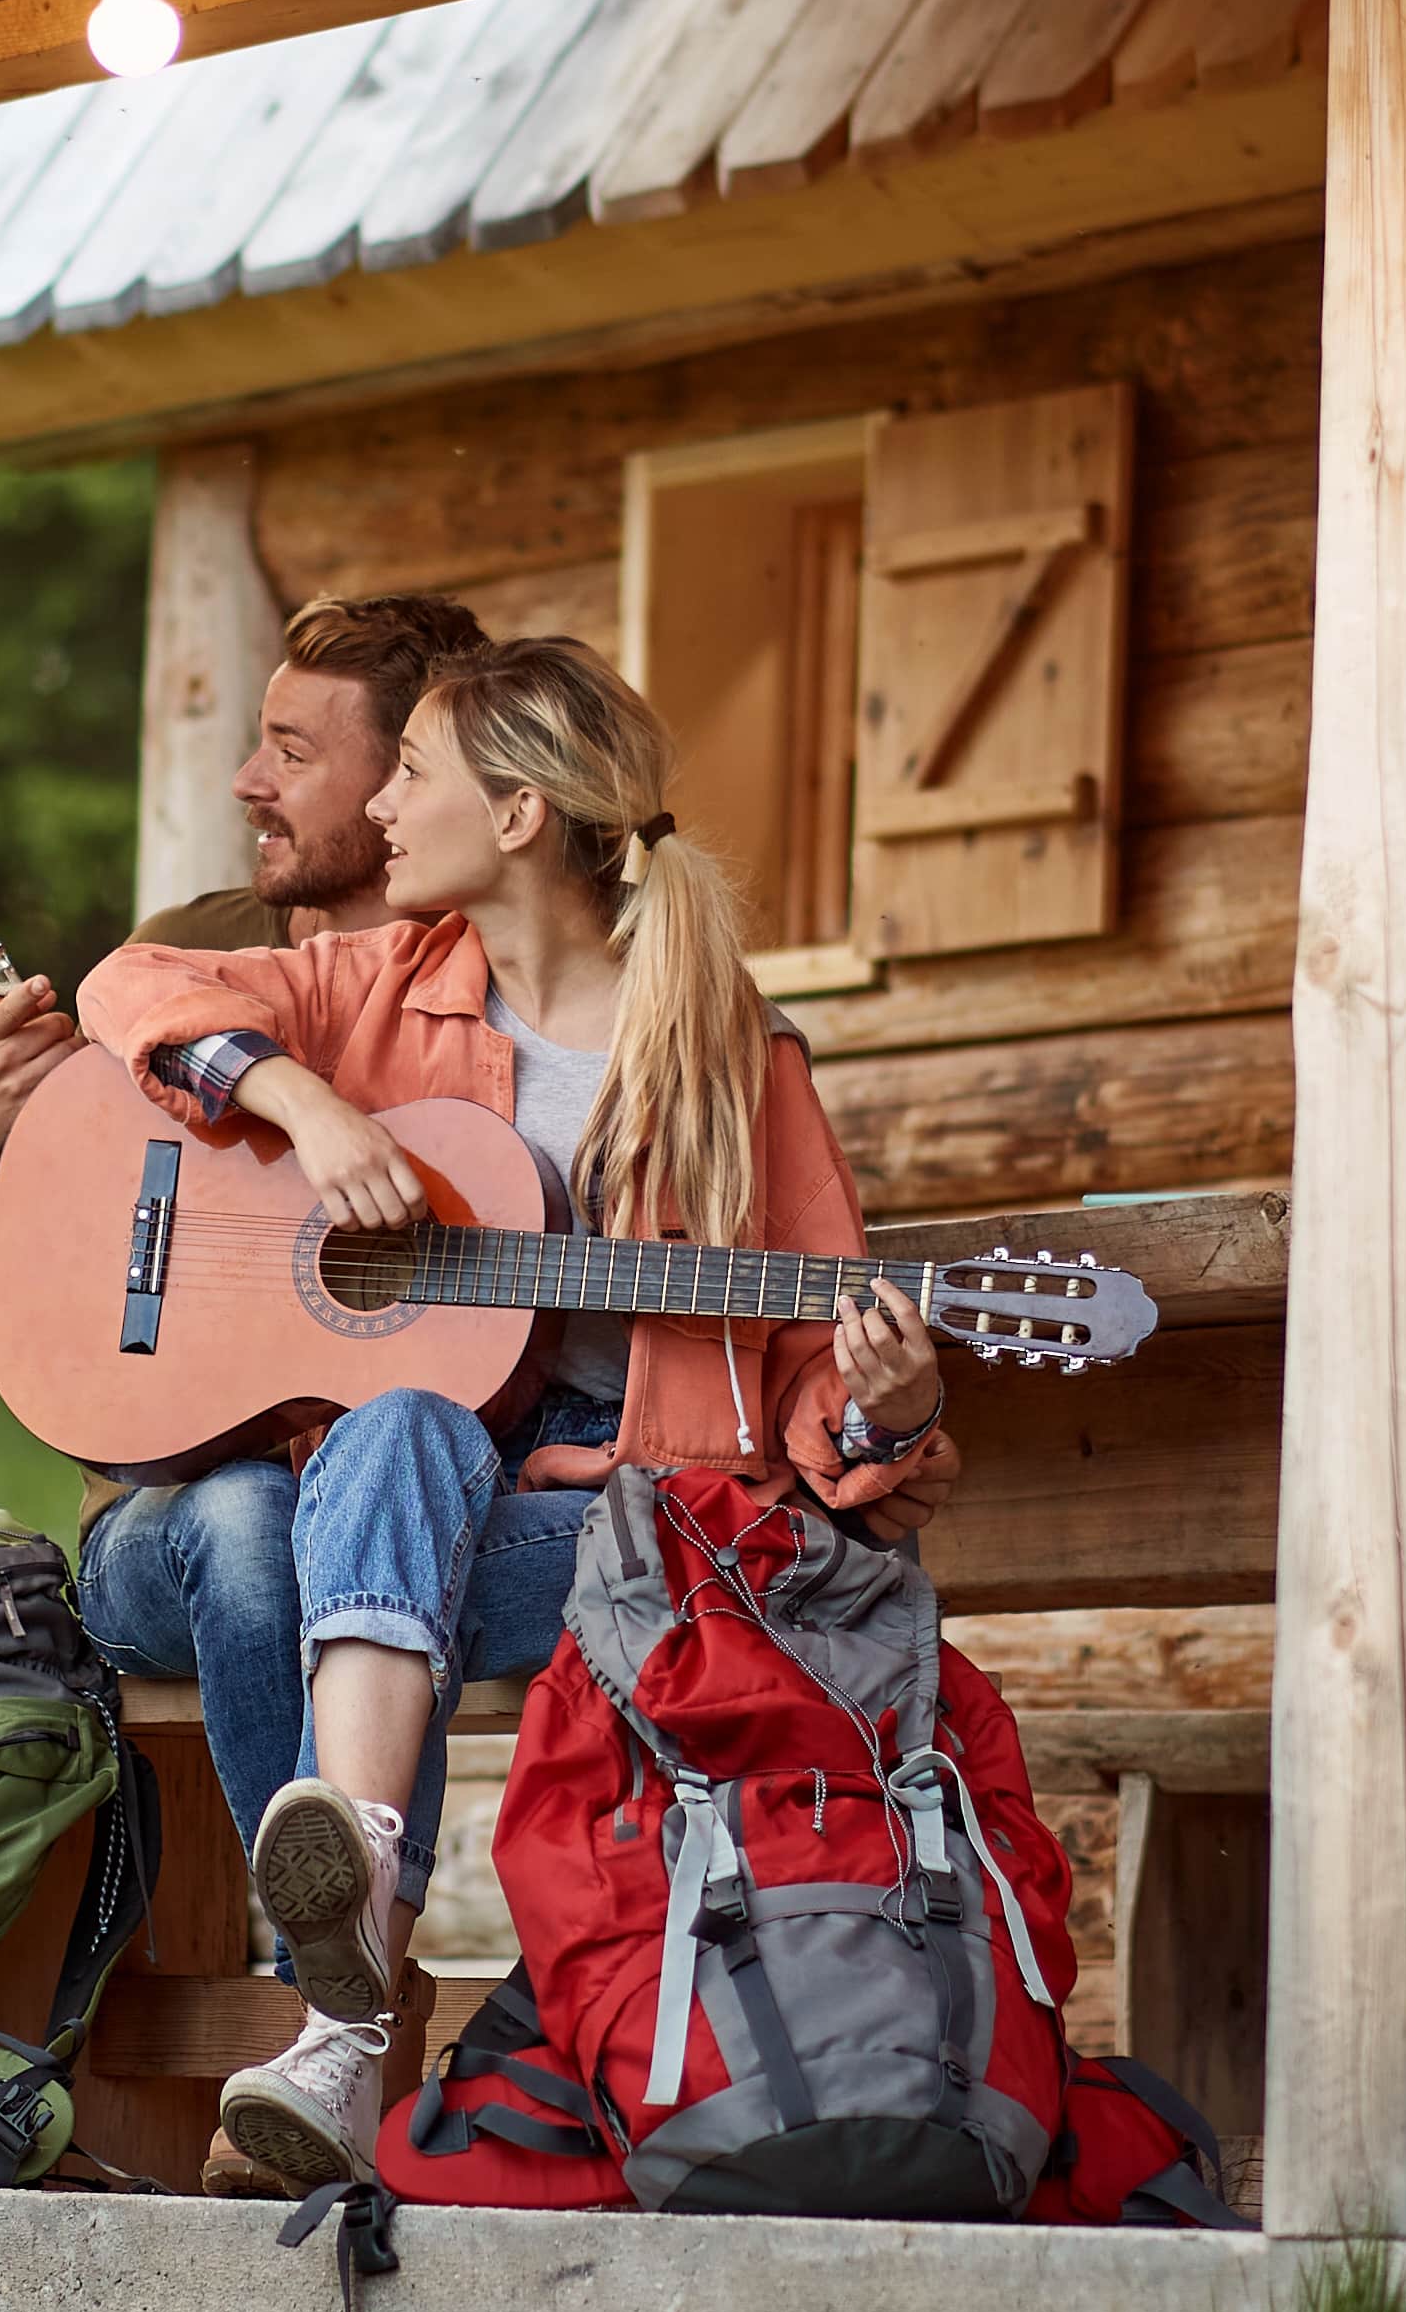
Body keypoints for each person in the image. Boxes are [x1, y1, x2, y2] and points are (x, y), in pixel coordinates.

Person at [75, 634, 959, 2189]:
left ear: (521, 816)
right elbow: (129, 984)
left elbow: (833, 1380)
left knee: (365, 1504)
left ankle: (338, 2003)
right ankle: (351, 1999)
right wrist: (300, 1098)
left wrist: (894, 1403)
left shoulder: (727, 1053)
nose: (388, 808)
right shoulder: (381, 987)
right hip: (398, 1509)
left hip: (609, 1537)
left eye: (413, 773)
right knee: (404, 1420)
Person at [0, 591, 484, 1303]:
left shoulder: (503, 980)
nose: (246, 783)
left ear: (402, 780)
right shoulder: (184, 952)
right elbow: (16, 1293)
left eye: (291, 753)